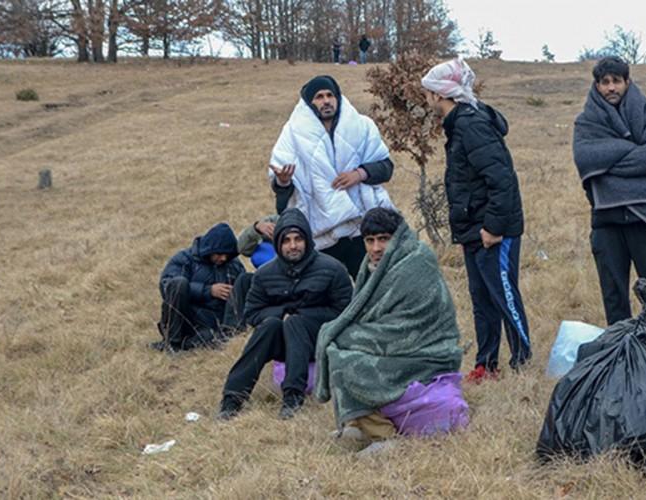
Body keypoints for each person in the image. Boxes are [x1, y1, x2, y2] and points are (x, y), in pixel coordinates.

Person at [315, 208, 465, 450]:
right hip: (395, 340)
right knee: (337, 341)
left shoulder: (416, 261)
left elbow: (412, 323)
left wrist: (354, 337)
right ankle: (357, 422)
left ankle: (383, 436)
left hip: (425, 349)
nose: (376, 248)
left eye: (383, 239)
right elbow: (365, 311)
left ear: (397, 237)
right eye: (369, 240)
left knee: (344, 358)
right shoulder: (373, 264)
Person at [421, 58, 531, 382]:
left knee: (503, 294)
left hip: (492, 229)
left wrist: (493, 228)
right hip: (473, 228)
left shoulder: (471, 125)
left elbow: (501, 179)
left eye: (429, 92)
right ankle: (487, 363)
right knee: (481, 298)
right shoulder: (459, 125)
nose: (426, 99)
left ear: (440, 94)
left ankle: (522, 360)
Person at [573, 56, 646, 325]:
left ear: (627, 82)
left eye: (617, 81)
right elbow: (586, 159)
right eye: (605, 82)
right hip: (606, 220)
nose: (611, 87)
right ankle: (621, 352)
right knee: (614, 296)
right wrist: (633, 150)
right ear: (597, 85)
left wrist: (609, 166)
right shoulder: (586, 123)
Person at [218, 208, 352, 420]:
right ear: (278, 244)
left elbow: (345, 312)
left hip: (320, 340)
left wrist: (302, 317)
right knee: (270, 325)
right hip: (282, 342)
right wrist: (282, 314)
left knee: (295, 323)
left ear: (307, 240)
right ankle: (232, 398)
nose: (292, 245)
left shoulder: (332, 269)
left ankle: (292, 396)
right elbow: (252, 312)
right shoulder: (265, 274)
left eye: (298, 239)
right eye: (286, 240)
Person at [269, 75, 396, 277]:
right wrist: (283, 181)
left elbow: (386, 167)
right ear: (309, 103)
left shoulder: (363, 126)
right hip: (320, 230)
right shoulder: (292, 134)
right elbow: (282, 188)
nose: (326, 101)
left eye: (330, 95)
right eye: (319, 97)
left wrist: (359, 174)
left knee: (374, 286)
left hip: (360, 226)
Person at [154, 223, 250, 352]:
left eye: (227, 255)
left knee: (246, 280)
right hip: (187, 318)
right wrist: (208, 291)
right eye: (220, 254)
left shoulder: (234, 265)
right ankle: (172, 344)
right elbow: (167, 285)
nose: (223, 258)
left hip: (215, 324)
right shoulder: (184, 259)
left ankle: (196, 342)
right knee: (179, 283)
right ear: (209, 248)